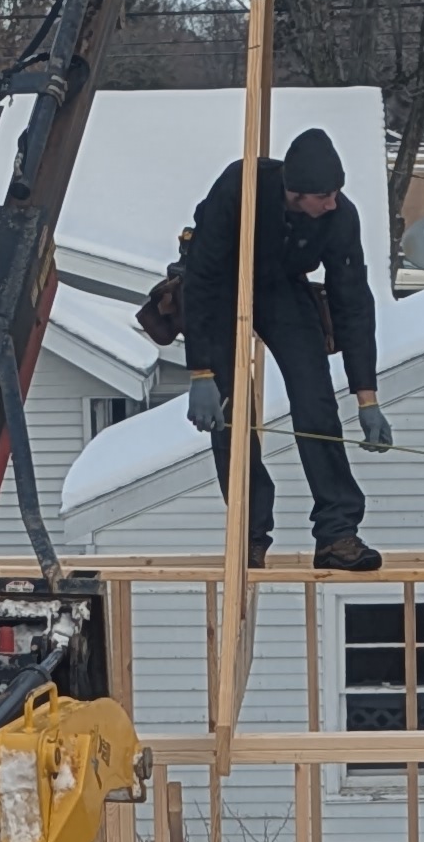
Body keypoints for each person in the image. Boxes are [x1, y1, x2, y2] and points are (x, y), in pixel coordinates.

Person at [148, 123, 393, 567]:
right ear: (295, 193)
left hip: (282, 286)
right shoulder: (238, 188)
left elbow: (354, 302)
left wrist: (367, 397)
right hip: (221, 286)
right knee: (230, 411)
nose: (333, 202)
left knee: (315, 400)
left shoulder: (340, 216)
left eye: (336, 193)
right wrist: (201, 371)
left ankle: (337, 535)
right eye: (324, 196)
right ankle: (250, 533)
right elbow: (200, 281)